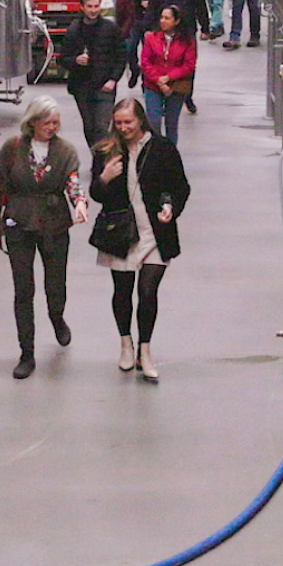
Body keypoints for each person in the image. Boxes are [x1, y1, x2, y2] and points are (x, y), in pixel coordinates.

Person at [0, 96, 89, 379]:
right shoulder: (12, 149)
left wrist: (80, 203)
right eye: (47, 123)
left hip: (54, 223)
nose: (52, 127)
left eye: (56, 122)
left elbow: (72, 182)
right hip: (18, 222)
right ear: (32, 122)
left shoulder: (65, 151)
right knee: (23, 290)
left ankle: (57, 316)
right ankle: (26, 353)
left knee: (55, 283)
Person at [90, 98, 190, 382]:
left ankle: (145, 350)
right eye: (119, 123)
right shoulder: (106, 150)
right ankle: (126, 344)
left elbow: (180, 186)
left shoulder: (162, 148)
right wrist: (105, 177)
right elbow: (96, 194)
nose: (124, 128)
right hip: (120, 232)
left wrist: (170, 207)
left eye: (128, 122)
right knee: (122, 291)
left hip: (155, 231)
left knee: (148, 291)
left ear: (141, 120)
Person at [60, 0, 126, 148]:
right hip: (82, 87)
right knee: (89, 127)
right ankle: (97, 156)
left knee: (101, 128)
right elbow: (63, 58)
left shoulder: (111, 28)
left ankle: (102, 159)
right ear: (82, 7)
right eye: (89, 6)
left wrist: (113, 79)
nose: (93, 10)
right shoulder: (74, 30)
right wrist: (75, 60)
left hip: (104, 85)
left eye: (96, 6)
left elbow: (121, 56)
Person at [140, 5, 197, 144]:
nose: (163, 21)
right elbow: (145, 62)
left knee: (171, 124)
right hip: (153, 85)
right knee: (154, 121)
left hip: (175, 86)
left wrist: (169, 77)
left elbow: (189, 65)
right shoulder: (151, 38)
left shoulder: (187, 40)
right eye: (161, 17)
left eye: (167, 18)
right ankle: (155, 151)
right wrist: (159, 80)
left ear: (176, 21)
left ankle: (171, 153)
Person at [120, 0, 158, 87]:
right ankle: (135, 69)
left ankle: (146, 81)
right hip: (133, 18)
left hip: (152, 20)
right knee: (129, 49)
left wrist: (152, 4)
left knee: (150, 53)